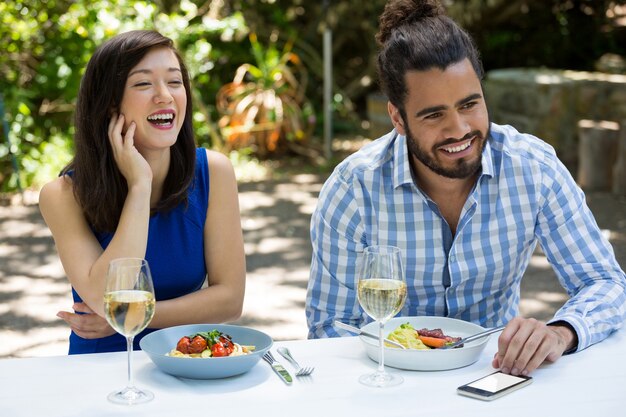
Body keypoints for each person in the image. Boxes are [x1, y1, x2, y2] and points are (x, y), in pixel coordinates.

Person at [306, 0, 626, 376]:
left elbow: (604, 282)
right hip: (390, 378)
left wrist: (562, 332)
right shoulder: (352, 190)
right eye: (434, 114)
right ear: (398, 118)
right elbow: (329, 327)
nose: (459, 130)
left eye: (470, 104)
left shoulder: (534, 169)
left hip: (497, 374)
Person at [39, 30, 246, 354]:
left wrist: (132, 316)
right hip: (99, 371)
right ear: (109, 104)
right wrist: (139, 185)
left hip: (184, 360)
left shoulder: (213, 172)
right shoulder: (63, 195)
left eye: (174, 82)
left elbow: (230, 300)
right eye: (143, 83)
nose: (164, 95)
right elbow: (108, 295)